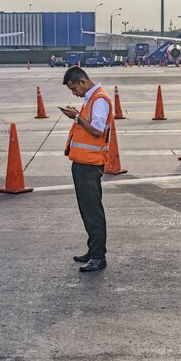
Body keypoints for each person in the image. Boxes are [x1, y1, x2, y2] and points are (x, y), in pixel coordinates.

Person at [62, 66, 112, 272]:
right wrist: (76, 116)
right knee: (87, 210)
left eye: (74, 89)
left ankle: (98, 257)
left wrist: (77, 117)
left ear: (83, 82)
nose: (75, 93)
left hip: (90, 164)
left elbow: (97, 130)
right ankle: (93, 251)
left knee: (93, 211)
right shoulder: (91, 99)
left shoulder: (99, 99)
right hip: (83, 162)